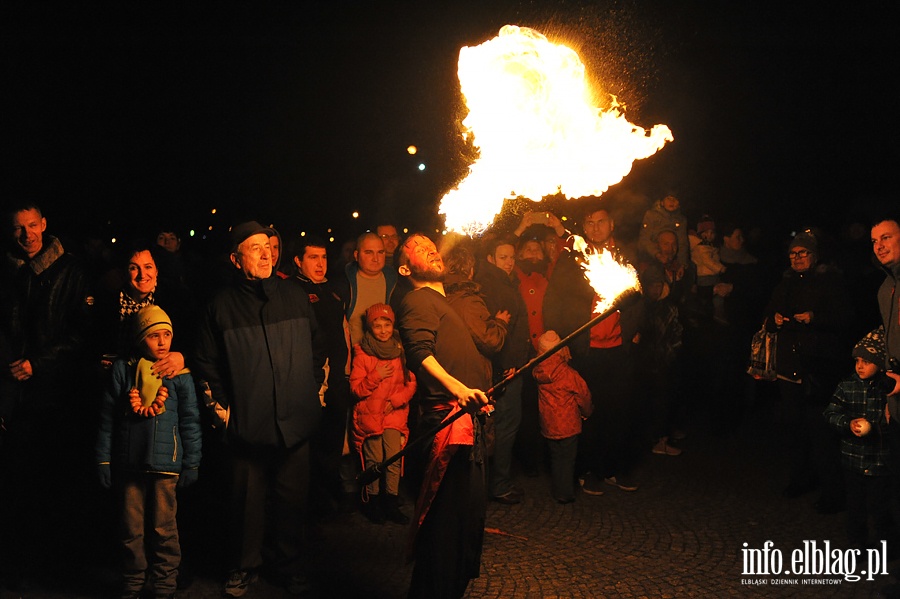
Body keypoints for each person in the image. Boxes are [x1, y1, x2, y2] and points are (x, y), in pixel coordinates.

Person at [193, 221, 326, 597]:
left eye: (268, 246)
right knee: (246, 503)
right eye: (255, 248)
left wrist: (311, 395)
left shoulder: (295, 296)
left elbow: (318, 350)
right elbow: (206, 364)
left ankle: (288, 565)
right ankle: (243, 565)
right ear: (237, 259)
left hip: (295, 425)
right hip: (246, 429)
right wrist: (225, 414)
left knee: (291, 502)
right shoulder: (219, 306)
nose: (266, 253)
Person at [0, 202, 95, 586]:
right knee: (17, 487)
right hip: (14, 398)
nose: (27, 235)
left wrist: (39, 363)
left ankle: (59, 569)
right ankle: (21, 569)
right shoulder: (6, 272)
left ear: (45, 224)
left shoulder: (71, 270)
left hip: (57, 398)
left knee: (57, 485)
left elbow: (82, 334)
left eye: (32, 225)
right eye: (19, 228)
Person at [395, 233, 491, 599]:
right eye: (417, 249)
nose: (430, 249)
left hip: (466, 420)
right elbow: (419, 354)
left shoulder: (442, 301)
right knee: (447, 530)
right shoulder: (417, 299)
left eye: (429, 244)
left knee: (463, 525)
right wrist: (459, 388)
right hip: (448, 425)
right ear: (405, 268)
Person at [96, 305, 202, 599]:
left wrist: (191, 462)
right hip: (129, 465)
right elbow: (108, 418)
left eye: (166, 334)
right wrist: (104, 459)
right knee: (131, 530)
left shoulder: (179, 374)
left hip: (165, 467)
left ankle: (164, 584)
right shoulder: (124, 370)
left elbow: (191, 420)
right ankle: (132, 582)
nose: (162, 341)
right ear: (140, 338)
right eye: (154, 335)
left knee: (163, 529)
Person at [544, 200, 643, 495]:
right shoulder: (571, 258)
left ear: (611, 224)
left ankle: (614, 467)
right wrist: (560, 341)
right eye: (589, 223)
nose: (595, 228)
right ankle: (590, 470)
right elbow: (554, 301)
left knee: (618, 409)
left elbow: (639, 298)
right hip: (584, 349)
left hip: (617, 348)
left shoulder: (625, 256)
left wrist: (633, 332)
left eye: (600, 222)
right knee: (587, 412)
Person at [764, 229, 852, 513]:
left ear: (814, 255)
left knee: (822, 432)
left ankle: (832, 491)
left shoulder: (830, 281)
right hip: (790, 369)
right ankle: (800, 478)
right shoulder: (784, 283)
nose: (798, 258)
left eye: (803, 253)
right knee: (795, 428)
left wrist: (815, 318)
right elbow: (767, 319)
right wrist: (774, 320)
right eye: (793, 253)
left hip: (819, 366)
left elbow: (844, 318)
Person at [291, 235, 355, 514]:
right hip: (310, 381)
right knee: (312, 443)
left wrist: (348, 365)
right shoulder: (293, 292)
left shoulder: (334, 290)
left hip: (338, 379)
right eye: (313, 258)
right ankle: (311, 502)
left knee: (333, 439)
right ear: (298, 261)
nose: (320, 264)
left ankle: (330, 494)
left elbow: (343, 329)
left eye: (324, 257)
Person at [823, 327, 897, 549]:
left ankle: (888, 547)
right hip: (852, 461)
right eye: (857, 360)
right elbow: (830, 412)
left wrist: (888, 419)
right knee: (855, 508)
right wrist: (847, 423)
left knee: (880, 507)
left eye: (867, 361)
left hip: (879, 462)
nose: (860, 366)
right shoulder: (847, 385)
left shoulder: (888, 390)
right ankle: (857, 546)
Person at [474, 236, 532, 503]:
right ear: (490, 259)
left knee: (504, 426)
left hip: (511, 366)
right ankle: (498, 485)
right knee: (505, 426)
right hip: (506, 370)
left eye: (511, 257)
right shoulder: (496, 286)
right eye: (503, 258)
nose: (509, 263)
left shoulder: (506, 280)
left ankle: (496, 482)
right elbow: (496, 333)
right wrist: (506, 365)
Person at [350, 303, 417, 525]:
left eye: (386, 325)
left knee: (393, 458)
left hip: (393, 414)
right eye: (377, 326)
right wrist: (375, 376)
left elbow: (411, 382)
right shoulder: (363, 353)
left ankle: (391, 502)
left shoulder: (400, 350)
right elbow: (356, 389)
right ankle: (373, 502)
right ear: (370, 328)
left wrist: (396, 400)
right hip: (370, 415)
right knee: (374, 459)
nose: (383, 330)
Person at [532, 330, 593, 504]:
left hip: (548, 424)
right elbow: (584, 395)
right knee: (567, 460)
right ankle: (565, 493)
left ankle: (558, 489)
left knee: (556, 457)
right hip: (568, 425)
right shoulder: (568, 374)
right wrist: (587, 412)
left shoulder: (538, 371)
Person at [345, 232, 397, 346]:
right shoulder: (343, 283)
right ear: (356, 255)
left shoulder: (395, 282)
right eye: (369, 252)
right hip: (353, 357)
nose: (376, 258)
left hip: (387, 356)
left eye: (380, 252)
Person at [690, 215, 729, 324]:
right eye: (706, 232)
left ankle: (713, 316)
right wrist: (721, 268)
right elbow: (708, 261)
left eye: (712, 233)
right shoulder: (701, 247)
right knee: (706, 300)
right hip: (705, 279)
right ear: (700, 234)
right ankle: (706, 319)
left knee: (714, 298)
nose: (709, 235)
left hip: (713, 277)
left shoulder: (710, 246)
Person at [638, 194, 689, 268]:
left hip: (672, 257)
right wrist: (657, 254)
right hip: (651, 257)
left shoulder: (681, 220)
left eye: (675, 199)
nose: (672, 201)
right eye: (668, 198)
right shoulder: (651, 215)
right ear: (662, 202)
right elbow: (644, 239)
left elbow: (682, 243)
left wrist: (682, 264)